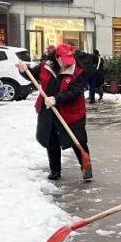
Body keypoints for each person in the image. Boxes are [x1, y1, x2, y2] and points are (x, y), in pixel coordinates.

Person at [17, 43, 89, 182]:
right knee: (51, 140)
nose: (67, 65)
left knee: (78, 140)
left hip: (71, 112)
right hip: (48, 110)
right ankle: (55, 170)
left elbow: (75, 92)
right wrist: (24, 70)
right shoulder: (46, 66)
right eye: (64, 62)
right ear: (57, 58)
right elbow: (33, 76)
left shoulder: (78, 71)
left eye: (70, 62)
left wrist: (56, 99)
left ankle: (86, 168)